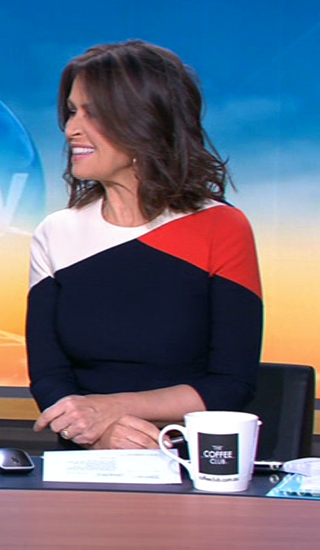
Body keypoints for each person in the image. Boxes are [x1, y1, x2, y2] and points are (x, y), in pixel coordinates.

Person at [27, 40, 263, 450]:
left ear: (145, 122)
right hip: (85, 456)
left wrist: (112, 409)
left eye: (91, 113)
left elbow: (230, 384)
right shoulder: (55, 233)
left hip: (187, 456)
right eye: (72, 111)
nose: (71, 129)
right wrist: (98, 435)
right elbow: (50, 377)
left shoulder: (220, 227)